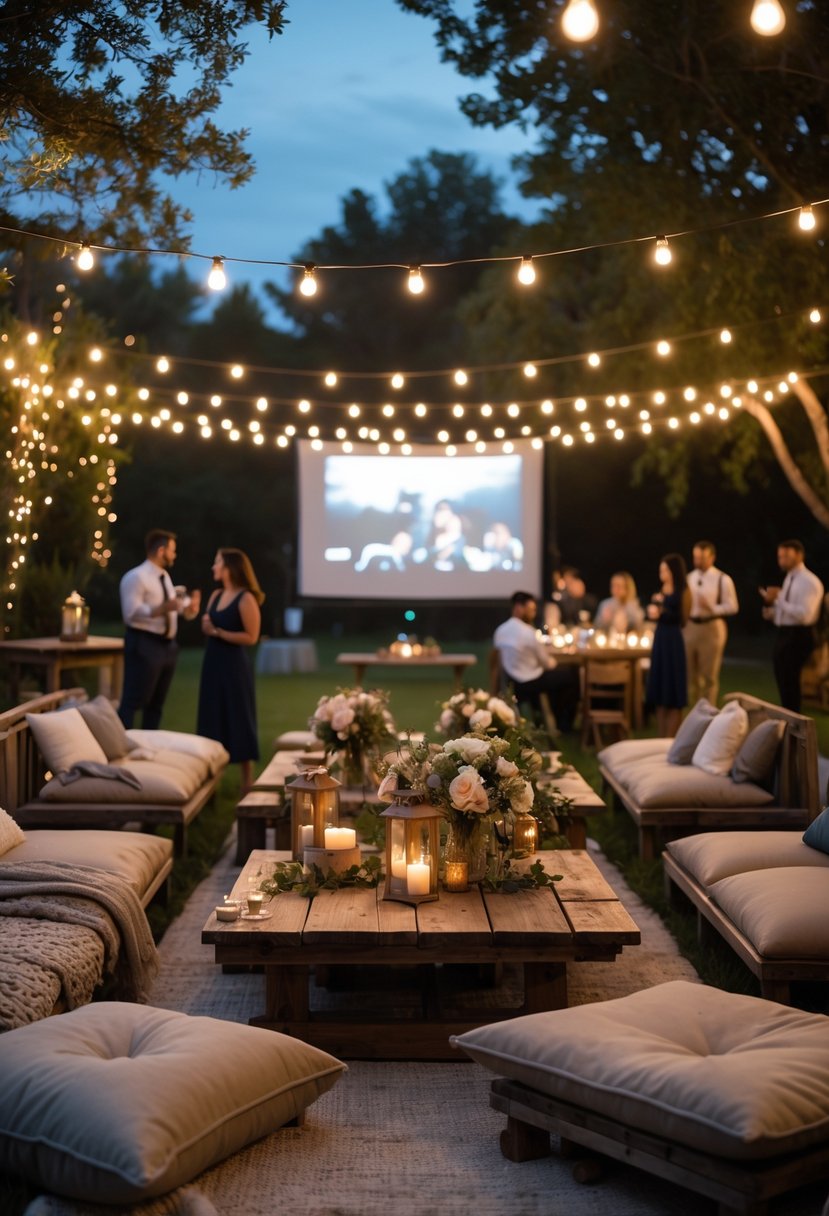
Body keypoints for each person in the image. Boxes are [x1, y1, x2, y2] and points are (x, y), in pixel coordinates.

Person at [118, 529, 201, 729]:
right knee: (133, 700)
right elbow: (131, 613)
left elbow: (173, 609)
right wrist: (162, 608)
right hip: (145, 643)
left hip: (167, 647)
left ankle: (149, 744)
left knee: (156, 704)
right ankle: (121, 747)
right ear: (161, 550)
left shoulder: (164, 577)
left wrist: (188, 609)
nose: (175, 555)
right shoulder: (136, 577)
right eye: (172, 550)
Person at [197, 548, 264, 793]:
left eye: (217, 563)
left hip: (234, 666)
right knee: (211, 716)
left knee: (238, 716)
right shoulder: (215, 595)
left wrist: (219, 633)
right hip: (212, 663)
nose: (213, 567)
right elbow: (208, 623)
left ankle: (247, 781)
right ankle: (211, 779)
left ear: (229, 568)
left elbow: (251, 636)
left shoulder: (246, 598)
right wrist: (205, 626)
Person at [493, 591, 580, 732]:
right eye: (531, 610)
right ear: (519, 608)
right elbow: (547, 663)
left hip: (511, 681)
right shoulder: (528, 632)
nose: (533, 614)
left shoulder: (500, 631)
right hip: (530, 681)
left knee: (560, 677)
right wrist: (554, 662)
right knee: (571, 674)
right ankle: (565, 724)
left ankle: (551, 717)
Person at [759, 539, 825, 713]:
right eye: (780, 556)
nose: (782, 560)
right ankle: (788, 719)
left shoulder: (809, 582)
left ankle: (794, 722)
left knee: (791, 681)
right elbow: (789, 609)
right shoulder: (790, 578)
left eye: (786, 556)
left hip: (799, 636)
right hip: (785, 633)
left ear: (799, 555)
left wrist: (778, 599)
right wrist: (773, 613)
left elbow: (804, 615)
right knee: (783, 680)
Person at [683, 541, 739, 707]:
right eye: (696, 557)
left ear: (712, 558)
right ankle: (692, 713)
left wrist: (712, 607)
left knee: (709, 675)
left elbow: (733, 606)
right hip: (690, 626)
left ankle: (708, 713)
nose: (698, 561)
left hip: (712, 627)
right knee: (689, 674)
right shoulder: (690, 578)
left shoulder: (722, 579)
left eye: (702, 557)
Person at [645, 554, 691, 737]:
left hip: (672, 639)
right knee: (660, 687)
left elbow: (682, 618)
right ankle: (660, 734)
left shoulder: (683, 591)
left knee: (672, 688)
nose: (662, 574)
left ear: (674, 571)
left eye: (665, 570)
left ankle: (671, 736)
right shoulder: (662, 590)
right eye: (661, 570)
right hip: (661, 638)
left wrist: (661, 612)